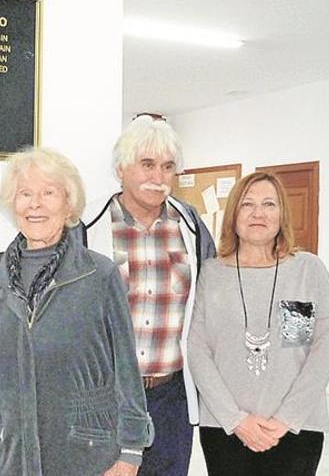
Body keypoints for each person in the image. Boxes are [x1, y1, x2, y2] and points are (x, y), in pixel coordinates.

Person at [0, 148, 153, 476]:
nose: (35, 204)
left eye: (48, 193)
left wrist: (131, 451)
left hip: (83, 454)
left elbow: (126, 368)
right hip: (5, 453)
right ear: (11, 203)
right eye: (25, 193)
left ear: (69, 203)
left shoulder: (99, 274)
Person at [80, 114, 216, 475]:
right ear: (121, 168)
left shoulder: (191, 227)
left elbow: (210, 306)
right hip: (106, 398)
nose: (158, 177)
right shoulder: (84, 226)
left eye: (168, 167)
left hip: (170, 399)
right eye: (148, 164)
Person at [186, 172, 329, 476]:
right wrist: (236, 420)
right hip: (226, 429)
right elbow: (197, 349)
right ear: (233, 215)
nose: (259, 213)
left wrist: (286, 418)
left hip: (297, 429)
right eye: (248, 205)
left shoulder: (306, 270)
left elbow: (323, 348)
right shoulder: (212, 274)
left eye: (269, 204)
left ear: (282, 213)